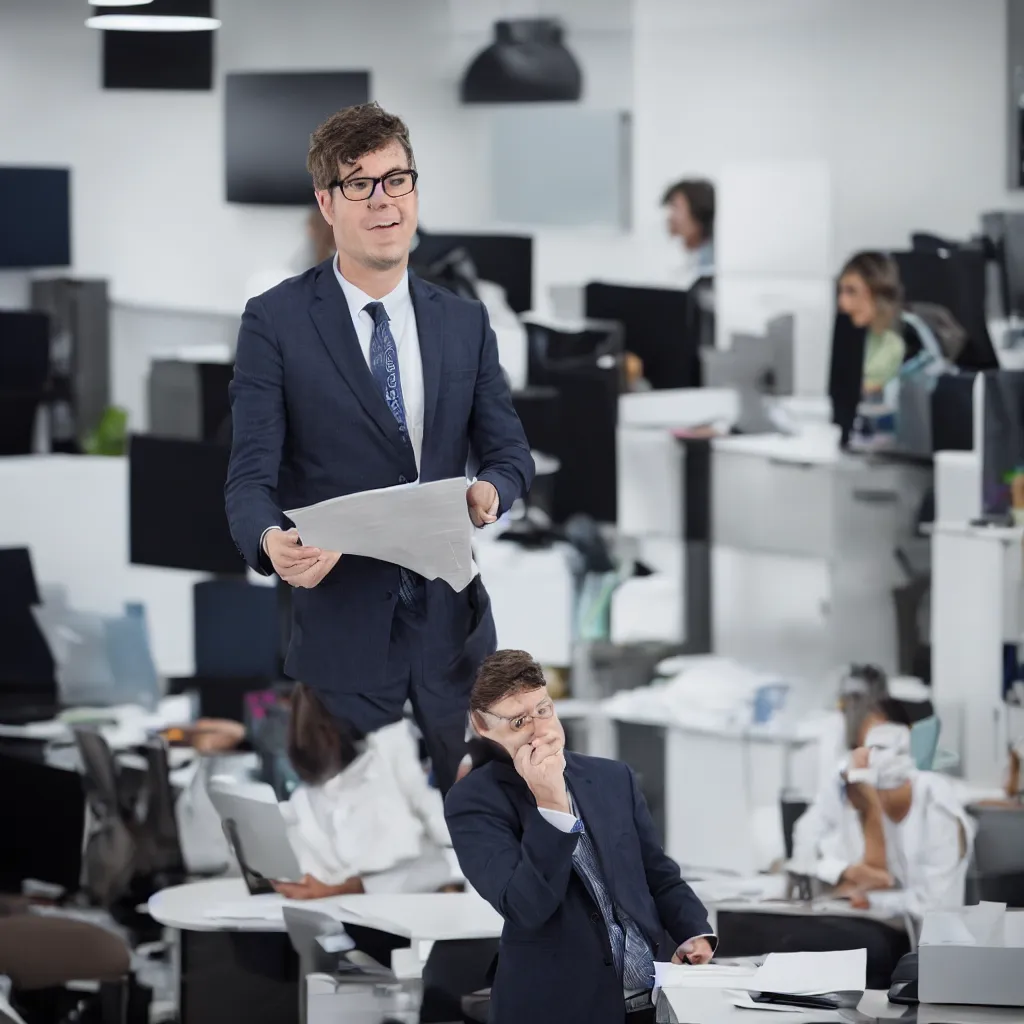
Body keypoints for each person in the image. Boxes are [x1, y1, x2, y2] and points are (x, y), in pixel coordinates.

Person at [225, 102, 534, 793]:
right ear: (326, 203)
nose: (383, 201)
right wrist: (273, 542)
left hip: (456, 645)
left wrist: (492, 491)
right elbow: (248, 480)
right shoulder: (275, 322)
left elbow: (510, 453)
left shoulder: (464, 320)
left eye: (397, 180)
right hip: (343, 644)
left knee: (471, 849)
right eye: (359, 184)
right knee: (355, 863)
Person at [445, 650, 715, 1024]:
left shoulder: (612, 778)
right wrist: (551, 803)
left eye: (543, 710)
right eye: (520, 720)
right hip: (559, 1007)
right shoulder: (473, 801)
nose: (542, 730)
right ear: (483, 725)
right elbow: (526, 907)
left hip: (651, 1003)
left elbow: (659, 875)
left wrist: (692, 932)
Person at [791, 701, 975, 918]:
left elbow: (931, 903)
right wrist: (843, 872)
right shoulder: (855, 789)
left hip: (928, 937)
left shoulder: (934, 801)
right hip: (875, 920)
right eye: (867, 745)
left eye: (881, 745)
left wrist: (869, 896)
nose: (866, 755)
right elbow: (806, 847)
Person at [273, 683, 454, 899]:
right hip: (347, 914)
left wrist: (345, 888)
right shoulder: (305, 798)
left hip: (412, 909)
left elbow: (447, 859)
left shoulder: (393, 747)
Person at [837, 252, 906, 396]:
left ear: (877, 295)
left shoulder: (890, 346)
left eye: (851, 291)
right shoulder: (840, 337)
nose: (842, 302)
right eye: (840, 291)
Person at [662, 178, 715, 281]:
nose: (670, 216)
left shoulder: (713, 264)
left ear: (698, 212)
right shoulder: (689, 258)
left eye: (676, 207)